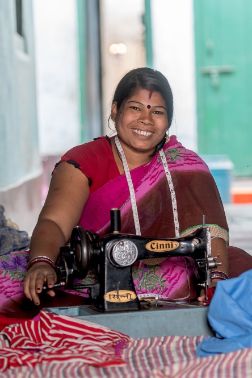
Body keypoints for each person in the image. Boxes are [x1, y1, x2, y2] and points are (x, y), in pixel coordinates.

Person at [24, 67, 229, 306]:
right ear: (114, 110)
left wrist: (215, 282)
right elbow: (55, 222)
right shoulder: (84, 161)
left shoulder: (185, 167)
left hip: (180, 278)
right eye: (135, 107)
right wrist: (42, 262)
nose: (146, 119)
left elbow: (210, 232)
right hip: (92, 282)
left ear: (168, 122)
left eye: (158, 112)